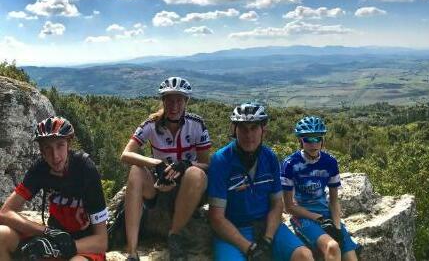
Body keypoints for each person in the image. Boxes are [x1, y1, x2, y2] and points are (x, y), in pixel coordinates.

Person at [119, 76, 211, 261]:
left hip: (188, 188)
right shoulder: (151, 124)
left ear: (186, 101)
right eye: (169, 100)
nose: (174, 105)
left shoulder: (197, 125)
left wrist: (186, 165)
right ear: (163, 101)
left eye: (179, 100)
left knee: (196, 173)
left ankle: (174, 236)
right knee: (136, 171)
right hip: (159, 186)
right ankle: (132, 251)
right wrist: (156, 164)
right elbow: (126, 154)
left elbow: (206, 164)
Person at [208, 102, 313, 261]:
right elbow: (216, 217)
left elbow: (277, 204)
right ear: (234, 130)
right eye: (243, 129)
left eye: (254, 128)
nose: (249, 135)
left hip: (267, 227)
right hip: (233, 231)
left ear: (263, 130)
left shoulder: (269, 158)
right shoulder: (221, 160)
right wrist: (249, 248)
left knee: (304, 256)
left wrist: (267, 240)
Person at [0, 116, 108, 261]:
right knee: (2, 235)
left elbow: (101, 241)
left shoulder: (85, 169)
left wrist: (60, 248)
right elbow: (5, 212)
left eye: (60, 145)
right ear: (42, 151)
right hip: (52, 236)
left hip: (83, 246)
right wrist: (45, 231)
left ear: (69, 144)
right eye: (48, 148)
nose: (55, 156)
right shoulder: (40, 168)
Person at [281, 116, 359, 261]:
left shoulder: (330, 162)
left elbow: (334, 201)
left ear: (323, 140)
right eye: (308, 139)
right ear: (300, 141)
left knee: (351, 258)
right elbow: (289, 206)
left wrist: (336, 227)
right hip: (303, 217)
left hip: (327, 214)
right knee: (332, 247)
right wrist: (319, 218)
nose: (313, 144)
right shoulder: (290, 164)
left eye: (317, 138)